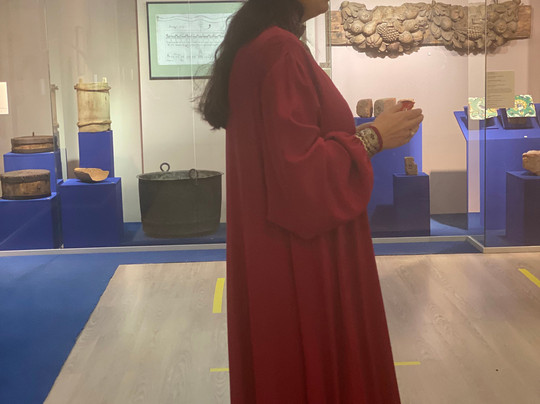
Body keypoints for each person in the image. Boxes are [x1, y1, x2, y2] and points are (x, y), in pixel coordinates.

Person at [199, 0, 424, 402]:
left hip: (273, 252)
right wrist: (375, 136)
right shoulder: (280, 50)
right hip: (303, 258)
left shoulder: (259, 46)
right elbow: (302, 176)